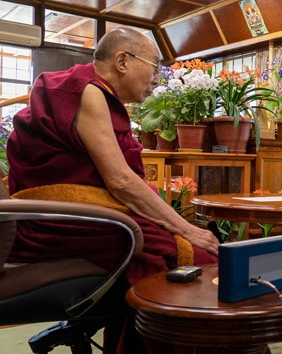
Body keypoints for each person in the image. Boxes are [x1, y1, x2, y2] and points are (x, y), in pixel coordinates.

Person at [6, 27, 219, 352]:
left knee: (188, 247)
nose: (157, 78)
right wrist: (187, 228)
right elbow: (120, 181)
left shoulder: (87, 90)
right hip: (71, 224)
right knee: (201, 259)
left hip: (68, 217)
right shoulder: (88, 91)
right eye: (155, 66)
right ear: (122, 60)